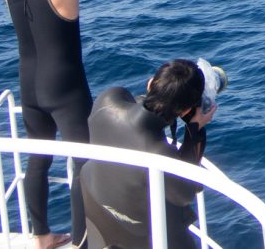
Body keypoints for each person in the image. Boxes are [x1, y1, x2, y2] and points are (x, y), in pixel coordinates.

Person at [0, 0, 122, 249]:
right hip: (65, 89)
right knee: (84, 163)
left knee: (38, 159)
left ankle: (41, 237)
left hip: (30, 85)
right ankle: (82, 241)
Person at [80, 60, 216, 249]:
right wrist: (194, 127)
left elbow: (142, 108)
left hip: (97, 214)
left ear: (151, 83)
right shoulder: (157, 152)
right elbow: (185, 194)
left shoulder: (108, 99)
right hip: (136, 236)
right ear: (185, 110)